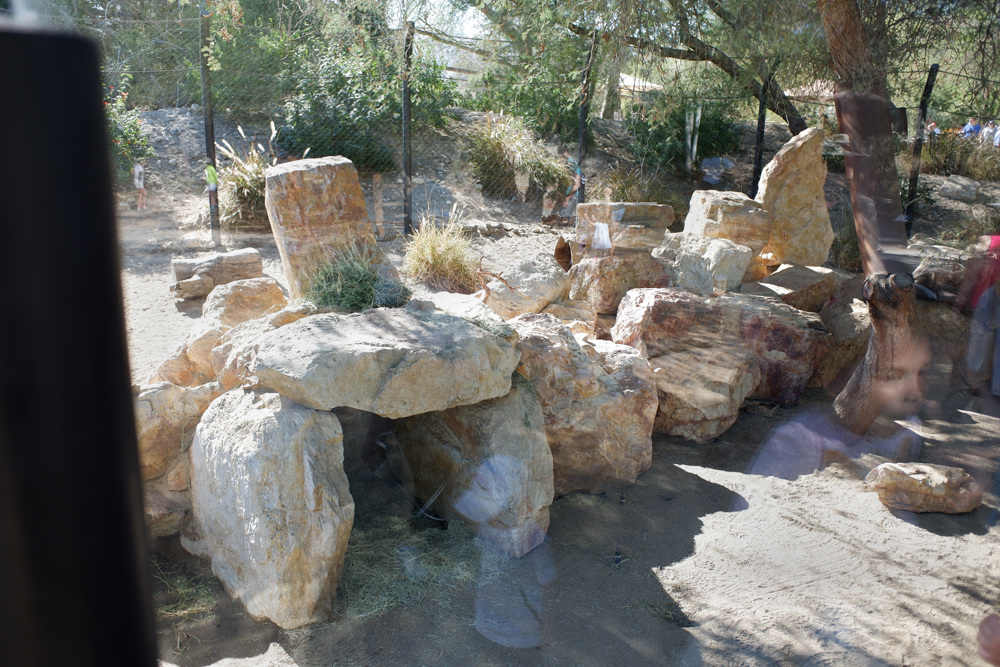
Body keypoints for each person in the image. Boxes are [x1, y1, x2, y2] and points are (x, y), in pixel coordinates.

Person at [561, 149, 585, 217]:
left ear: (569, 153)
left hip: (572, 195)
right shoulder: (562, 164)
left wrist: (567, 198)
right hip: (563, 195)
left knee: (564, 217)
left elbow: (577, 185)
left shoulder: (573, 165)